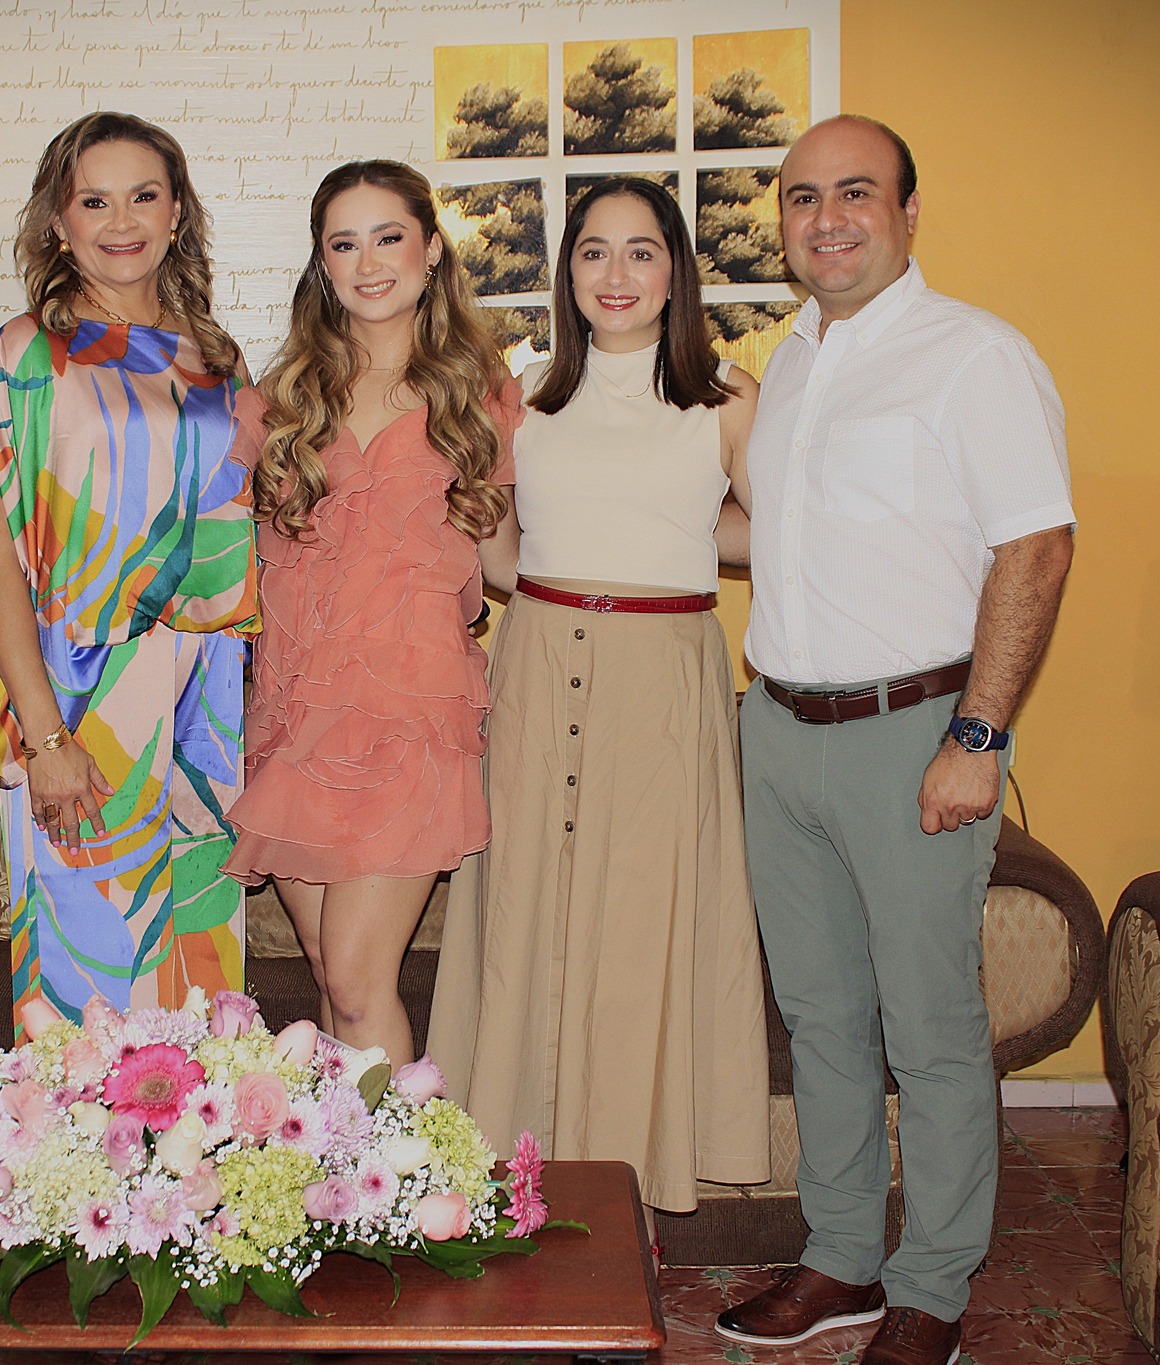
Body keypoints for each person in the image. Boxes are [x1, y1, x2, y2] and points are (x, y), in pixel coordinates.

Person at [715, 116, 1074, 1365]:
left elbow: (1036, 546)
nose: (826, 220)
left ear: (907, 212)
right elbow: (772, 537)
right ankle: (840, 1261)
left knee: (928, 1028)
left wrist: (976, 733)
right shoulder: (785, 365)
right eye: (802, 197)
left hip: (914, 728)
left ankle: (931, 1286)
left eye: (854, 192)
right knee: (818, 1016)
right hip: (778, 728)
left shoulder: (973, 355)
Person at [427, 176, 770, 1214]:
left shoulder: (729, 398)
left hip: (661, 680)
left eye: (640, 251)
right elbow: (496, 554)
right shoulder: (521, 396)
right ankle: (511, 1177)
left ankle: (626, 1193)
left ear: (674, 271)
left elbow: (780, 533)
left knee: (640, 932)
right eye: (592, 251)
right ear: (565, 271)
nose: (615, 274)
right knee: (525, 915)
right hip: (536, 664)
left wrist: (674, 544)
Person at [0, 112, 258, 1028]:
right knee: (89, 983)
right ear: (59, 221)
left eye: (143, 196)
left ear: (177, 214)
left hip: (208, 698)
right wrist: (44, 736)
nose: (121, 221)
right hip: (83, 701)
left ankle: (204, 1130)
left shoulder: (217, 356)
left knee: (203, 983)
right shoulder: (25, 353)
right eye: (94, 201)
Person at [224, 160, 519, 1065]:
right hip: (295, 715)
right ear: (323, 264)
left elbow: (507, 561)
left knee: (356, 978)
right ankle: (345, 1156)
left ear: (431, 249)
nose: (369, 262)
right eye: (344, 244)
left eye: (388, 237)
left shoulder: (480, 394)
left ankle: (401, 1159)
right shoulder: (280, 401)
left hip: (410, 716)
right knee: (327, 973)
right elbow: (226, 558)